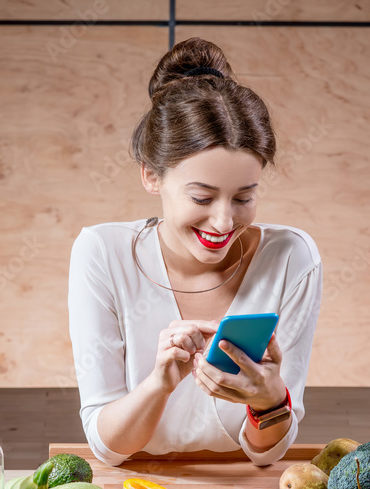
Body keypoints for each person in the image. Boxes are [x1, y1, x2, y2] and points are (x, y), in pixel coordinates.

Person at [68, 37, 322, 466]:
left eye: (243, 197)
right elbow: (108, 447)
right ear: (151, 176)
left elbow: (268, 455)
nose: (224, 223)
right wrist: (159, 384)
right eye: (202, 199)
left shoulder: (291, 258)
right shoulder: (102, 253)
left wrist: (268, 401)